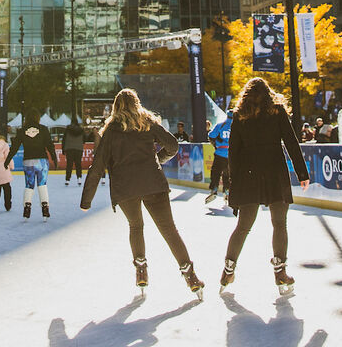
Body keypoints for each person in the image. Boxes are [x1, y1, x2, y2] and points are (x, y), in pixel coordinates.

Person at [80, 89, 205, 297]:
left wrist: (86, 201)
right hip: (152, 183)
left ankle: (141, 271)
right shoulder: (147, 122)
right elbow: (173, 146)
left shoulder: (110, 130)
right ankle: (190, 275)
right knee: (169, 230)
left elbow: (97, 166)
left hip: (126, 188)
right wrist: (158, 159)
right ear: (137, 103)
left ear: (115, 107)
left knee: (136, 226)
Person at [218, 77, 309, 296]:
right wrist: (302, 173)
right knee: (279, 223)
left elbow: (233, 153)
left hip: (248, 176)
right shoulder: (277, 112)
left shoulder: (240, 116)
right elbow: (291, 142)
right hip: (275, 173)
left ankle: (228, 270)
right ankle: (280, 271)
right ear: (268, 93)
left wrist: (232, 185)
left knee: (243, 226)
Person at [8, 119, 57, 220]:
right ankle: (45, 209)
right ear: (38, 118)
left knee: (29, 185)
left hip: (28, 161)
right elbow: (49, 144)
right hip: (41, 161)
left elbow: (15, 146)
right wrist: (54, 158)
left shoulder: (22, 130)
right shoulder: (43, 129)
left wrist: (7, 160)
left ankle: (26, 209)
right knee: (42, 184)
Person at [205, 115, 232, 206]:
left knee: (216, 172)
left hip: (220, 153)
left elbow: (211, 135)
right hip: (231, 155)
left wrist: (216, 144)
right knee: (227, 174)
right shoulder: (237, 125)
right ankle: (227, 190)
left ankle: (214, 189)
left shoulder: (220, 125)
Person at [61, 118, 87, 186]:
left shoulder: (67, 129)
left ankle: (67, 180)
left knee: (69, 164)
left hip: (69, 148)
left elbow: (64, 139)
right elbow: (85, 139)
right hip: (78, 148)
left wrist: (63, 149)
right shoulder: (81, 130)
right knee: (78, 164)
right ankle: (79, 179)